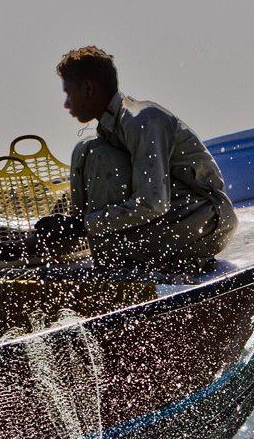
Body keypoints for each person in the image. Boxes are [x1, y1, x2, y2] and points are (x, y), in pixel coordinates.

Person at [36, 46, 237, 274]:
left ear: (89, 88)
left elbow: (152, 204)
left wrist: (82, 226)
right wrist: (63, 227)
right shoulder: (109, 130)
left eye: (69, 93)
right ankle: (33, 249)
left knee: (109, 245)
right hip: (170, 217)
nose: (66, 104)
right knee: (87, 149)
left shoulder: (143, 120)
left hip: (207, 219)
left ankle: (152, 264)